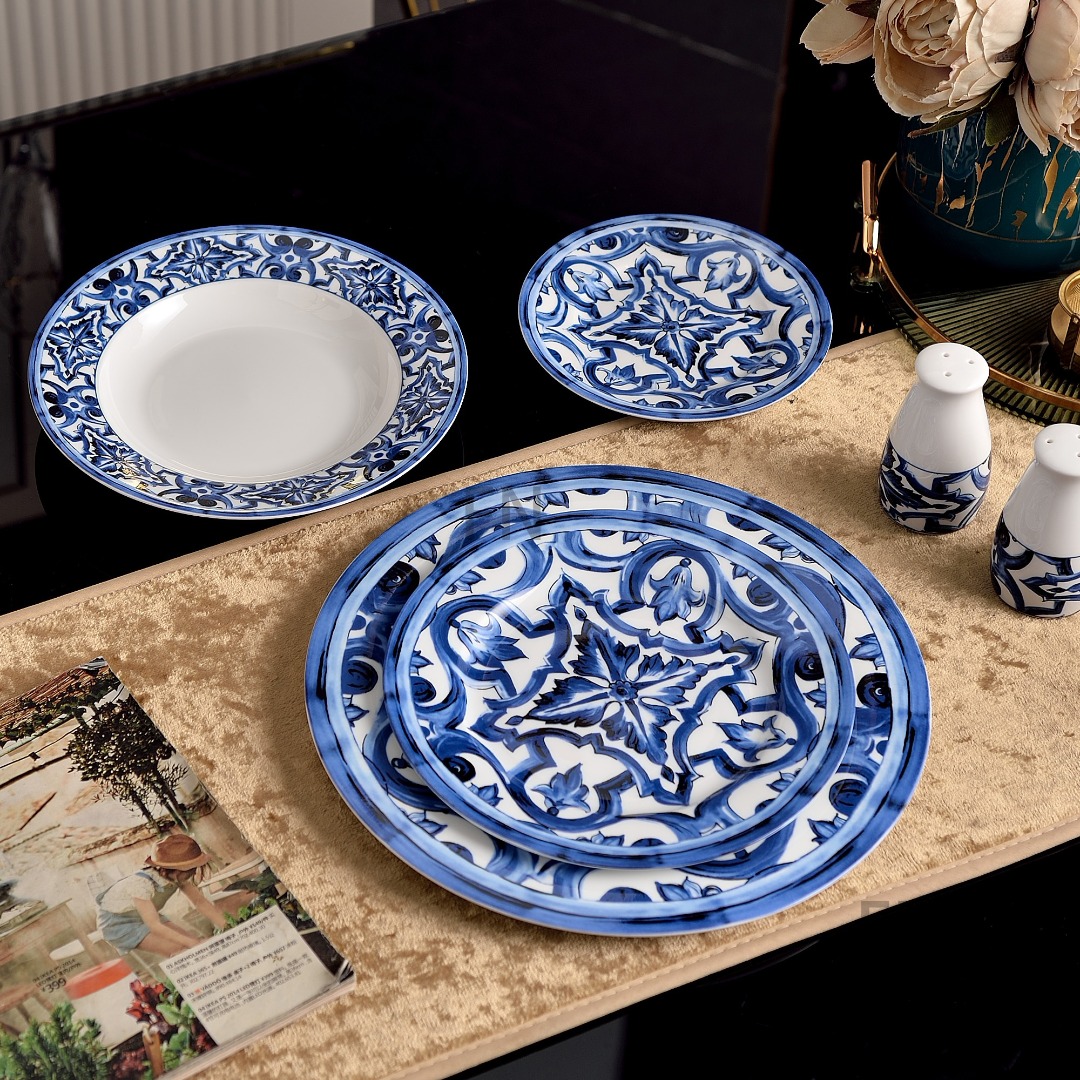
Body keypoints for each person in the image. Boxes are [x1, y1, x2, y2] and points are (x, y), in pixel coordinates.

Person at [95, 834, 247, 958]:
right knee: (181, 950)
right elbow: (154, 925)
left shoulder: (177, 877)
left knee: (194, 942)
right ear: (170, 870)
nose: (193, 873)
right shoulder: (141, 885)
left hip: (144, 915)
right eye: (189, 870)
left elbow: (200, 902)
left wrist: (229, 928)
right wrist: (193, 945)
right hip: (117, 923)